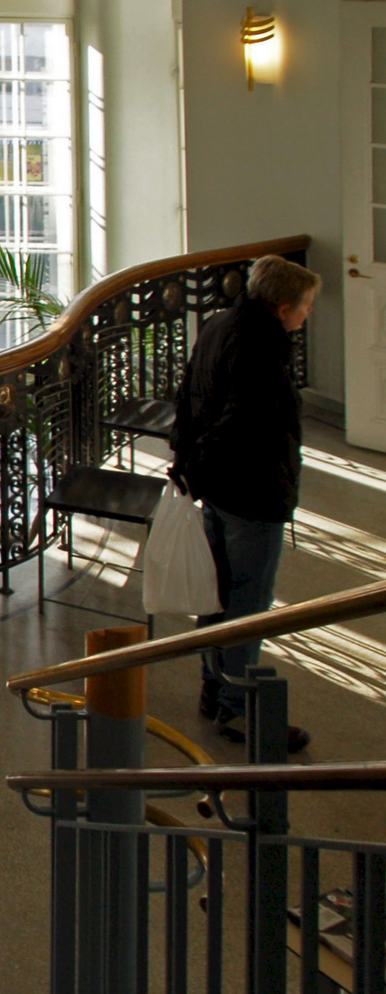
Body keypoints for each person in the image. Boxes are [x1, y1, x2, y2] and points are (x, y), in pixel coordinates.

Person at [169, 254, 320, 755]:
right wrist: (201, 460)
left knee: (217, 596)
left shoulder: (219, 323)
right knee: (248, 605)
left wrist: (188, 461)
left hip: (217, 488)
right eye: (307, 306)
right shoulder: (264, 345)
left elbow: (188, 393)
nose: (308, 315)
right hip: (251, 491)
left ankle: (214, 688)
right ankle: (238, 709)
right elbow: (245, 420)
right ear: (282, 308)